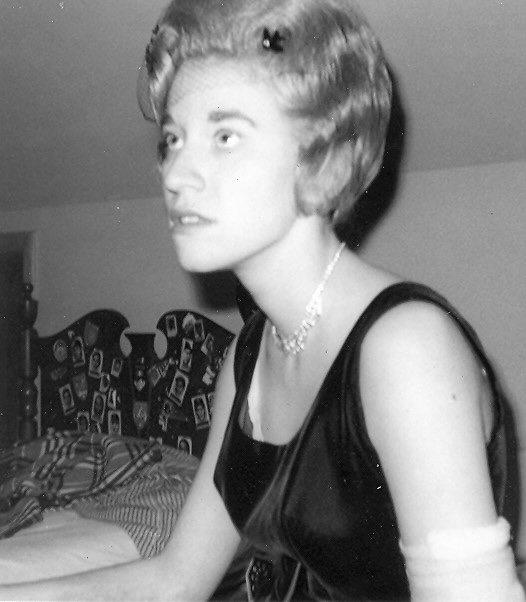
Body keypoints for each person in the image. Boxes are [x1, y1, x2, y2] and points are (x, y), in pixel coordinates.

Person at [1, 0, 524, 600]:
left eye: (224, 136)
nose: (174, 173)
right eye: (172, 138)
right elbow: (176, 581)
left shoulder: (406, 349)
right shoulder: (249, 356)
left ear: (324, 161)